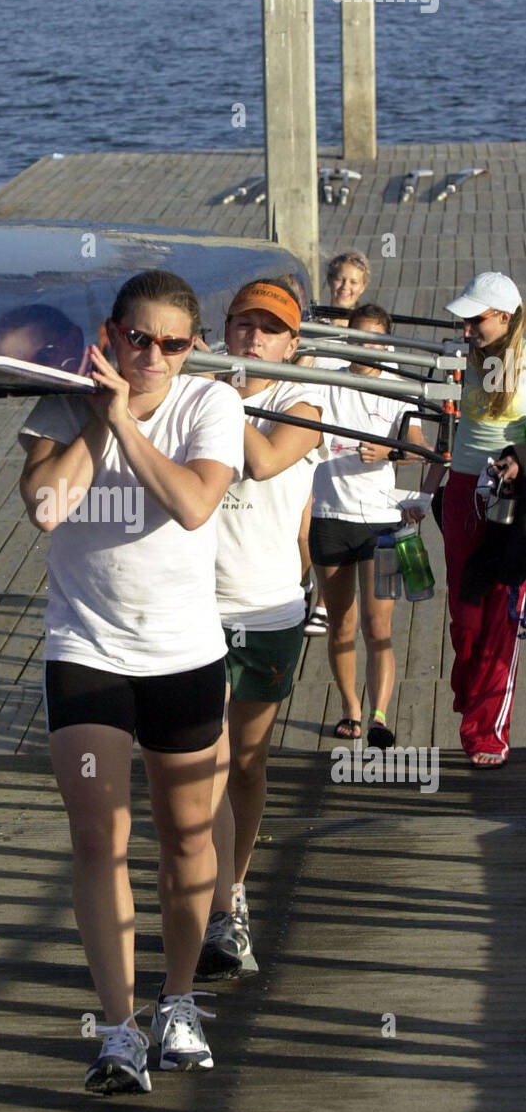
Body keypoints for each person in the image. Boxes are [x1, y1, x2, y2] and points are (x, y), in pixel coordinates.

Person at [19, 269, 244, 1095]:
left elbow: (192, 504)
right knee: (96, 838)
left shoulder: (209, 403)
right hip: (86, 650)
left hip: (184, 654)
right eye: (137, 338)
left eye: (172, 344)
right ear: (110, 335)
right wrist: (95, 418)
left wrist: (126, 421)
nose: (153, 356)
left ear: (194, 348)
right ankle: (117, 1029)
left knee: (187, 839)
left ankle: (176, 999)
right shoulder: (59, 402)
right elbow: (45, 506)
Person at [197, 280, 325, 980]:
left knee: (245, 764)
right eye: (241, 325)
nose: (252, 337)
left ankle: (234, 885)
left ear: (291, 343)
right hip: (192, 608)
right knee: (205, 762)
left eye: (268, 329)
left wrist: (218, 393)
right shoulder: (200, 387)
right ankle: (215, 910)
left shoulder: (300, 400)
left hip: (268, 607)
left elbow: (264, 459)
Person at [309, 305, 429, 746]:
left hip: (381, 521)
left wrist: (390, 454)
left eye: (375, 340)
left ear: (388, 345)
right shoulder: (328, 378)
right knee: (340, 623)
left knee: (378, 628)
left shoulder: (401, 388)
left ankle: (379, 716)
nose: (366, 348)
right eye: (358, 338)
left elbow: (420, 450)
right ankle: (350, 710)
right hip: (330, 516)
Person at [419, 272, 526, 767]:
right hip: (464, 490)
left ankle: (486, 732)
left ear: (504, 317)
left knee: (501, 618)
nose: (467, 330)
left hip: (511, 494)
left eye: (475, 320)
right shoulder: (474, 356)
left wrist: (518, 458)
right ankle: (471, 693)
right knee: (466, 620)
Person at [301, 252, 372, 635]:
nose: (345, 287)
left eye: (353, 282)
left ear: (363, 288)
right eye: (339, 280)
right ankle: (306, 585)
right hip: (312, 428)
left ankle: (325, 603)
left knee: (323, 520)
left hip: (347, 433)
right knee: (301, 528)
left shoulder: (366, 329)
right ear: (330, 282)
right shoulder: (310, 324)